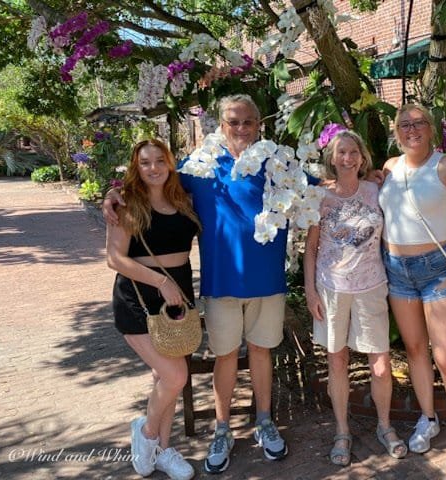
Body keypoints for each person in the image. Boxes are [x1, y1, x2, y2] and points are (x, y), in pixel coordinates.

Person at [103, 94, 291, 475]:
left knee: (260, 352)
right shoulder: (200, 167)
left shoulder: (277, 162)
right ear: (221, 126)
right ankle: (222, 430)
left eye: (248, 122)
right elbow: (153, 179)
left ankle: (265, 421)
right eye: (233, 122)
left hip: (267, 280)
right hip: (220, 282)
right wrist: (115, 192)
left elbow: (317, 185)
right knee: (222, 356)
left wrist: (368, 175)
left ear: (258, 125)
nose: (240, 128)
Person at [378, 104, 446, 479]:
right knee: (413, 350)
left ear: (432, 128)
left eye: (419, 123)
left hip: (439, 271)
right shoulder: (390, 167)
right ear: (396, 131)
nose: (412, 130)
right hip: (396, 271)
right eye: (404, 124)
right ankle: (428, 418)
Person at [304, 130, 407, 466]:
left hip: (372, 286)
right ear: (332, 158)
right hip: (331, 289)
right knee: (337, 361)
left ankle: (384, 426)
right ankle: (342, 431)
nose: (347, 158)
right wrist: (309, 291)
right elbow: (311, 249)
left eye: (353, 152)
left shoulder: (376, 190)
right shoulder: (319, 195)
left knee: (380, 365)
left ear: (362, 157)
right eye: (341, 152)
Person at [106, 139, 200, 480]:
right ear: (136, 167)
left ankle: (163, 449)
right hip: (139, 299)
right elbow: (114, 258)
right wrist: (160, 282)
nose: (154, 168)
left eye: (160, 161)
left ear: (171, 163)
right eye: (145, 163)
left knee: (166, 378)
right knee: (176, 376)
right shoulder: (128, 204)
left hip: (177, 298)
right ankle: (146, 434)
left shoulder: (183, 198)